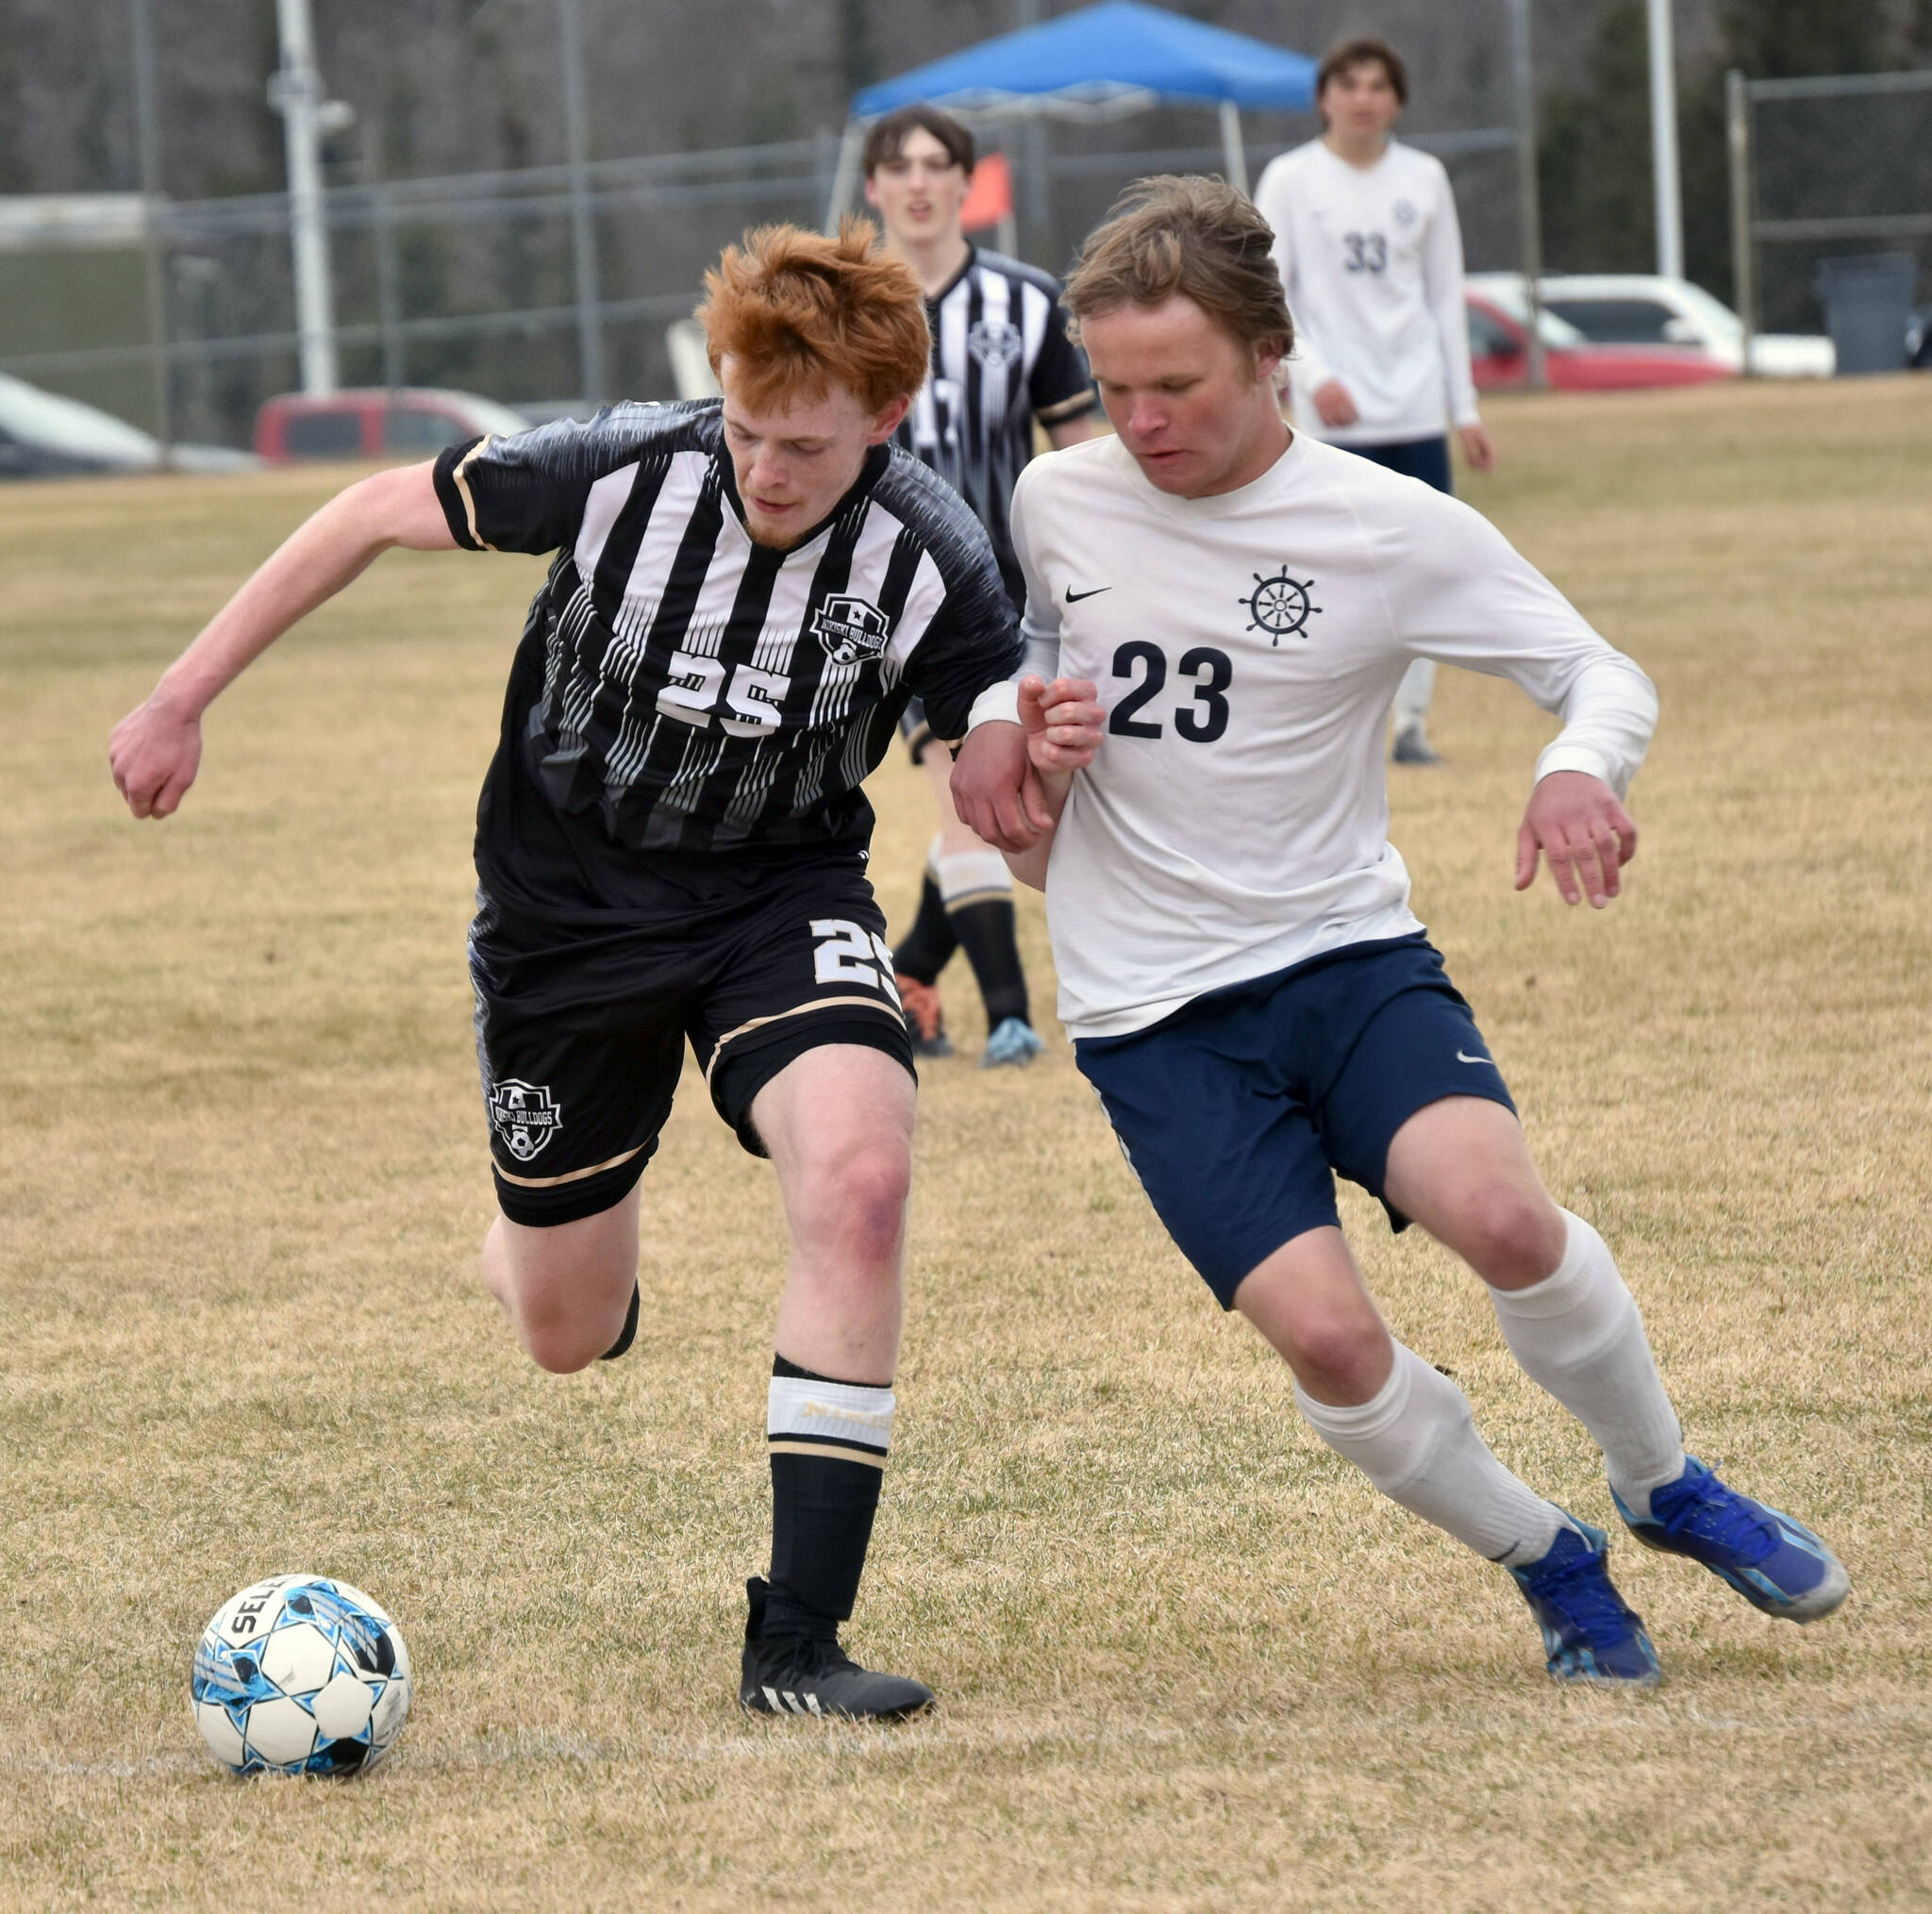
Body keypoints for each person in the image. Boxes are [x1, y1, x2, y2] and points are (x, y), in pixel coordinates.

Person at [108, 222, 1031, 1721]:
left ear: (884, 418)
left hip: (773, 900)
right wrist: (177, 700)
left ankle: (796, 1643)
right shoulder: (620, 469)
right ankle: (556, 1244)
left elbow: (989, 759)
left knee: (861, 1176)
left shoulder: (933, 554)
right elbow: (362, 513)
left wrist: (1009, 769)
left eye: (804, 443)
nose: (766, 470)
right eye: (744, 428)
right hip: (563, 926)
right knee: (566, 1333)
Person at [950, 176, 1848, 1687]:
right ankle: (1549, 1560)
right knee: (1328, 1341)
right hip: (1151, 1008)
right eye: (1113, 390)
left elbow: (1598, 670)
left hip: (1342, 959)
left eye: (1176, 385)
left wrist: (1575, 770)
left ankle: (1661, 1481)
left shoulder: (1389, 526)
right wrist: (1005, 734)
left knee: (1501, 1216)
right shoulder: (1060, 499)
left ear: (1267, 356)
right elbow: (1023, 656)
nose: (1141, 420)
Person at [862, 103, 1101, 1066]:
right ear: (873, 187)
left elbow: (1080, 450)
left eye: (936, 164)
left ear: (967, 182)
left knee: (1005, 796)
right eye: (899, 166)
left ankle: (906, 970)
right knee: (968, 796)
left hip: (1006, 596)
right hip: (884, 598)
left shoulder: (1026, 304)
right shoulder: (844, 308)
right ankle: (1008, 1013)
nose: (918, 182)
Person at [1254, 34, 1493, 767]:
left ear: (1397, 99)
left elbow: (1443, 298)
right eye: (1349, 84)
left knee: (1427, 567)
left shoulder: (1423, 178)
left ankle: (1412, 725)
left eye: (1378, 85)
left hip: (1415, 407)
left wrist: (1466, 408)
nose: (1363, 98)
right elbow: (1269, 289)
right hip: (1336, 414)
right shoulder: (1291, 180)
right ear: (1324, 97)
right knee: (1332, 576)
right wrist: (1311, 371)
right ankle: (1328, 722)